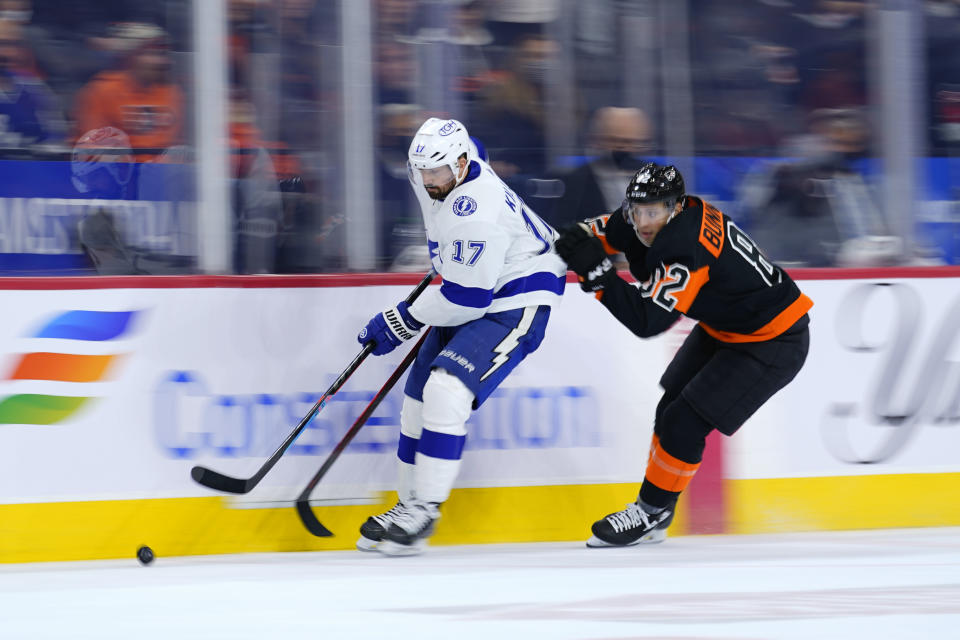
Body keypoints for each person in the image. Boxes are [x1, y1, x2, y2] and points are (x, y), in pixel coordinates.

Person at [553, 162, 812, 547]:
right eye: (637, 210)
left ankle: (650, 511)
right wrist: (573, 240)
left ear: (675, 209)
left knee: (683, 423)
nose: (643, 221)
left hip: (773, 341)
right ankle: (659, 508)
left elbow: (647, 321)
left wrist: (598, 274)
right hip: (729, 326)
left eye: (653, 212)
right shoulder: (653, 216)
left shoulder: (685, 247)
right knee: (670, 408)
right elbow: (600, 233)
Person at [355, 117, 566, 556]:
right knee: (415, 403)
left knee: (446, 391)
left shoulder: (479, 213)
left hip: (515, 296)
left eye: (437, 173)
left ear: (461, 164)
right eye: (422, 172)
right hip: (472, 286)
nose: (429, 181)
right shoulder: (443, 167)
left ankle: (425, 509)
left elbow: (468, 298)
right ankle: (406, 504)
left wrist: (401, 319)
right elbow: (480, 146)